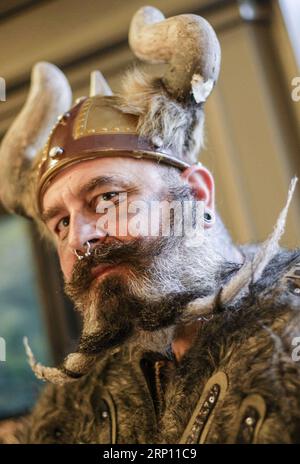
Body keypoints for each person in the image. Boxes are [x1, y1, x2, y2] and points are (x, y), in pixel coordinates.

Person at [0, 6, 299, 444]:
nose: (80, 237)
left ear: (196, 194)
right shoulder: (77, 399)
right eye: (61, 223)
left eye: (107, 198)